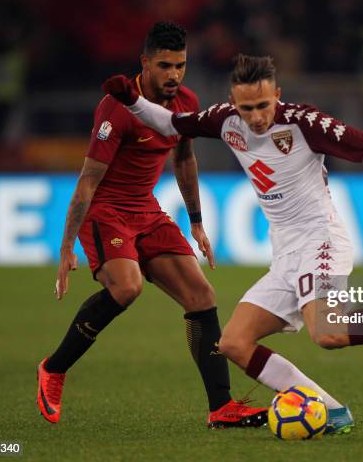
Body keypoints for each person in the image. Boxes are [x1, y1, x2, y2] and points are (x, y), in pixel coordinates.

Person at [102, 54, 363, 435]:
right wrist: (132, 100)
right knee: (234, 343)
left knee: (327, 332)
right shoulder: (224, 122)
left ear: (277, 96)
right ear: (232, 103)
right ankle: (330, 410)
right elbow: (171, 123)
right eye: (247, 108)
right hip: (286, 252)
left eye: (263, 105)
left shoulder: (304, 122)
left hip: (321, 238)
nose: (256, 117)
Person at [36, 24, 266, 428]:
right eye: (164, 65)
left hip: (147, 210)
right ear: (145, 63)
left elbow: (183, 160)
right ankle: (53, 369)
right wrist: (65, 247)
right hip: (106, 211)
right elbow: (88, 180)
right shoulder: (117, 107)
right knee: (127, 287)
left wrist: (196, 223)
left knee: (201, 295)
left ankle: (221, 407)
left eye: (180, 65)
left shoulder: (185, 103)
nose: (174, 75)